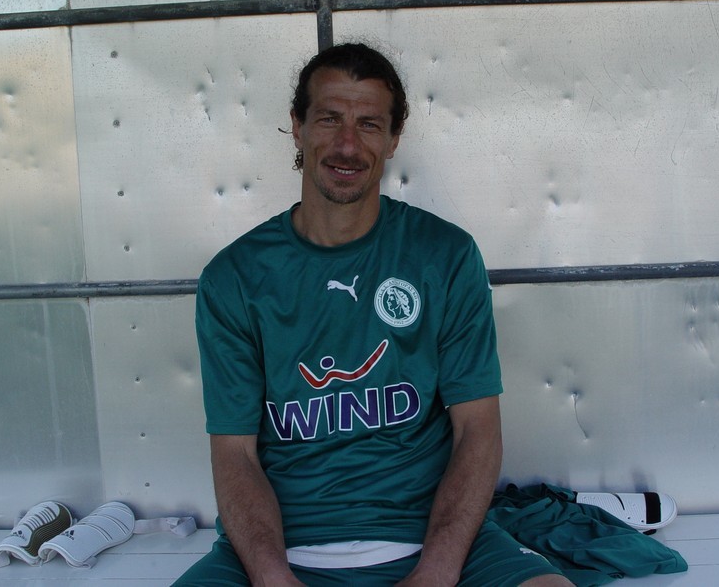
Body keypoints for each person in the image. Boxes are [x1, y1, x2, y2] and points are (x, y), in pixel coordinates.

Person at [176, 43, 572, 586]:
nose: (347, 144)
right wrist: (273, 579)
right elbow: (234, 455)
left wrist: (435, 574)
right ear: (297, 127)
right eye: (329, 119)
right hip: (281, 551)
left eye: (368, 124)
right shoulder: (235, 277)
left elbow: (477, 430)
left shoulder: (445, 256)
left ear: (393, 138)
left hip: (432, 543)